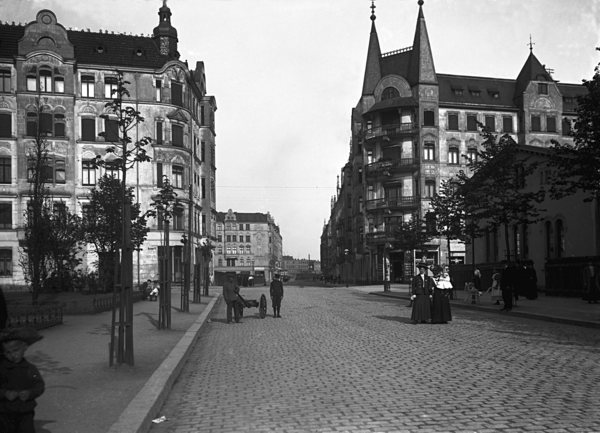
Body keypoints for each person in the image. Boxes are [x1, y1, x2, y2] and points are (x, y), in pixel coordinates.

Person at [0, 327, 45, 433]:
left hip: (25, 411)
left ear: (24, 347)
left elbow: (38, 385)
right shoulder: (2, 369)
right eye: (8, 352)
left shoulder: (30, 369)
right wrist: (5, 393)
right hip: (5, 411)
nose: (13, 355)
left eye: (16, 350)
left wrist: (30, 393)